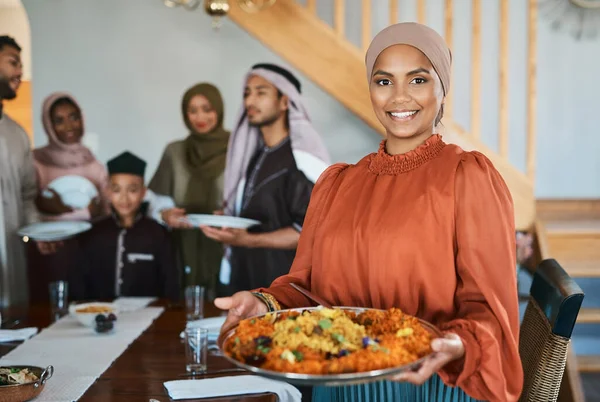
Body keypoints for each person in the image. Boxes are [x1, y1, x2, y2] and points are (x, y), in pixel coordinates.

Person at [214, 23, 523, 402]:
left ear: (442, 87)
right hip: (339, 387)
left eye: (418, 80)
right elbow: (309, 292)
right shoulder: (337, 185)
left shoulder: (467, 178)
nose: (399, 97)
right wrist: (263, 303)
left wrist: (457, 343)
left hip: (427, 386)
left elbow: (491, 309)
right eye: (383, 81)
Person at [27, 92, 180, 302]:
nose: (69, 125)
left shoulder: (93, 164)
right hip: (48, 250)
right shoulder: (35, 161)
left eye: (73, 117)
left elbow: (170, 286)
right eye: (59, 120)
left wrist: (163, 214)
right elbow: (26, 203)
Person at [200, 63, 330, 295]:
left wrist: (250, 240)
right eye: (247, 93)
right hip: (247, 282)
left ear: (284, 102)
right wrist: (229, 220)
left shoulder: (301, 161)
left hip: (285, 290)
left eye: (261, 92)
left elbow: (309, 232)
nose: (250, 101)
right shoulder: (256, 155)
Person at [149, 83, 229, 299]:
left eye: (207, 108)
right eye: (192, 110)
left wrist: (232, 215)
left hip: (228, 245)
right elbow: (157, 200)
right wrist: (165, 214)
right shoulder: (175, 151)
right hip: (182, 247)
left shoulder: (237, 148)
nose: (200, 116)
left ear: (218, 110)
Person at [69, 151, 179, 301]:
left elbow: (171, 286)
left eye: (132, 190)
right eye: (116, 190)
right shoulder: (92, 234)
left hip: (148, 316)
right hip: (98, 316)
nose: (124, 198)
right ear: (108, 191)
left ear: (143, 192)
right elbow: (79, 286)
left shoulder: (158, 234)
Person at [0, 35, 38, 308]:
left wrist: (36, 233)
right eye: (13, 62)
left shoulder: (17, 134)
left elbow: (28, 194)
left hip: (12, 253)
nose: (20, 72)